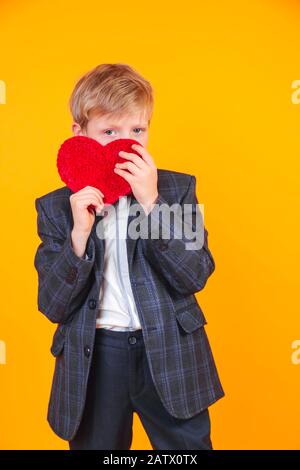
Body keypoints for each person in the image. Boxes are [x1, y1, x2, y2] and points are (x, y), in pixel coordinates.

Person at [34, 63, 225, 450]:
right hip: (97, 359)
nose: (127, 142)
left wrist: (154, 204)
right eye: (110, 132)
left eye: (137, 130)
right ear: (80, 134)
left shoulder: (175, 189)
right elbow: (53, 304)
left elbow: (194, 275)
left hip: (170, 353)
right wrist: (78, 236)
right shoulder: (56, 208)